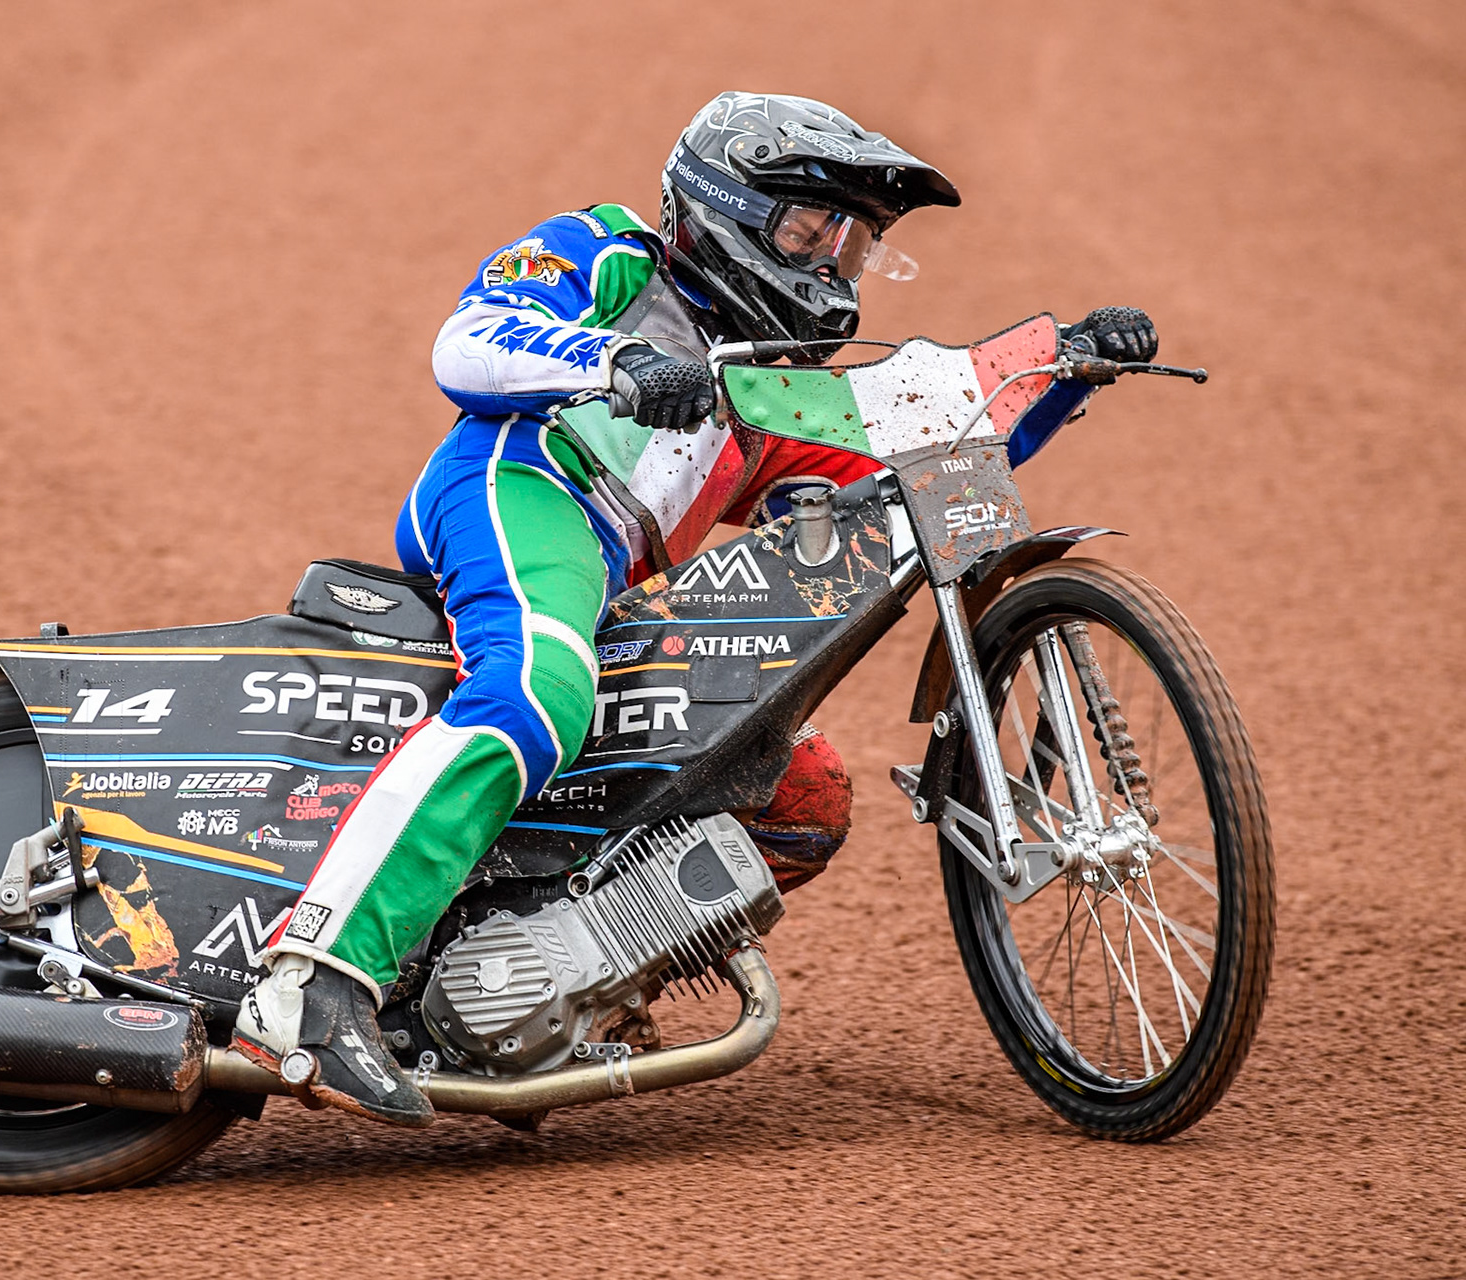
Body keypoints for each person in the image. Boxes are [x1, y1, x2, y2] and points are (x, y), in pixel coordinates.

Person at [234, 91, 1158, 1126]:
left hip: (604, 574)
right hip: (522, 484)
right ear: (726, 207)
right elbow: (468, 342)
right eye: (809, 230)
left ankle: (550, 983)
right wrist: (615, 361)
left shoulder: (759, 402)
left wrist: (1063, 365)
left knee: (793, 791)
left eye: (852, 244)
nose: (831, 263)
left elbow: (927, 450)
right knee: (538, 690)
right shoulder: (608, 253)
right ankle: (310, 983)